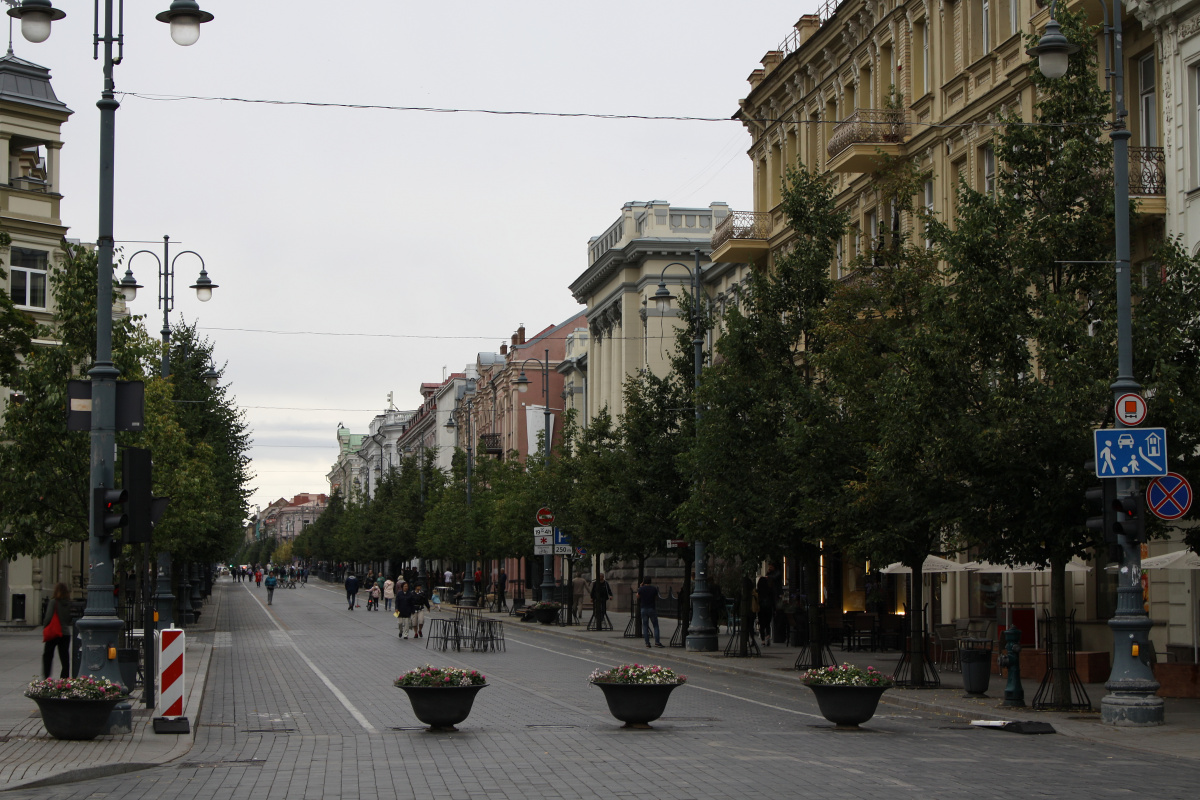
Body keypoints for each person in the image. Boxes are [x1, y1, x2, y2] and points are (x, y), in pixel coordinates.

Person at [42, 582, 72, 679]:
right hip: (65, 633)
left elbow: (48, 617)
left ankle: (47, 677)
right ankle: (64, 678)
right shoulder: (68, 603)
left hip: (54, 632)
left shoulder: (54, 602)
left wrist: (45, 626)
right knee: (64, 657)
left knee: (48, 656)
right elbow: (69, 619)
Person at [638, 577, 664, 648]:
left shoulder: (641, 589)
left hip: (643, 608)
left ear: (643, 582)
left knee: (645, 626)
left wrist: (640, 587)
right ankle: (657, 642)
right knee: (655, 626)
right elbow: (656, 598)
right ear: (650, 582)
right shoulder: (654, 589)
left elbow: (638, 596)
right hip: (652, 608)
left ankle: (647, 643)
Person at [756, 568, 777, 646]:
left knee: (762, 624)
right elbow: (773, 600)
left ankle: (763, 640)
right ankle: (768, 636)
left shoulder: (759, 591)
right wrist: (774, 609)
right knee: (768, 623)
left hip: (761, 608)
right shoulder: (770, 590)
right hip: (768, 608)